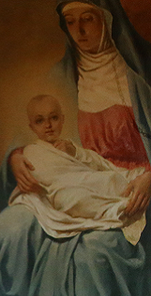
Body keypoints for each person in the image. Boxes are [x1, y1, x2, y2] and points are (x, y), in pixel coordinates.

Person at [0, 0, 151, 296]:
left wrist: (149, 175)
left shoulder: (141, 74)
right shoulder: (62, 74)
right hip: (64, 186)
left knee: (93, 253)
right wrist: (16, 156)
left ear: (108, 21)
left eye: (88, 19)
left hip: (132, 189)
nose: (79, 32)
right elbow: (30, 131)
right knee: (7, 229)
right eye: (70, 23)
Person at [11, 94, 146, 243]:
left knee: (108, 180)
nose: (48, 125)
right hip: (62, 192)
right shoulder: (31, 151)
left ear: (62, 119)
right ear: (32, 126)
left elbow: (99, 164)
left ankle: (123, 202)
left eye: (53, 118)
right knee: (69, 198)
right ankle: (117, 211)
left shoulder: (72, 146)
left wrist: (75, 153)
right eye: (40, 121)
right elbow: (44, 179)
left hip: (93, 184)